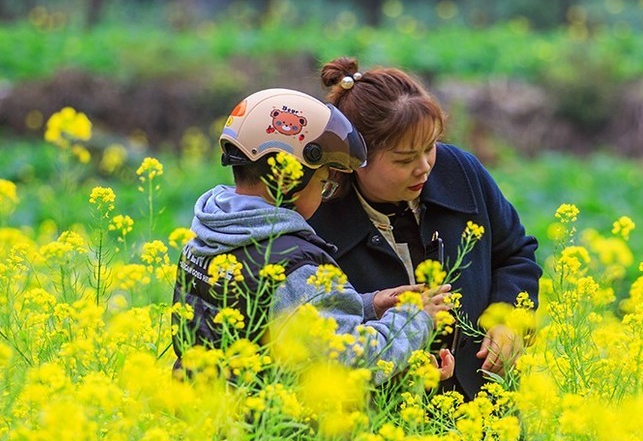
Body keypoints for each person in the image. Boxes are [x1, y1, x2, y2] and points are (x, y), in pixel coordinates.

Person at [172, 86, 454, 385]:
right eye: (322, 181)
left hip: (206, 415)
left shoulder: (212, 230)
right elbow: (354, 363)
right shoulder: (291, 264)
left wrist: (369, 305)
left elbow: (281, 311)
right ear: (289, 179)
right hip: (266, 427)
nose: (324, 193)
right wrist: (416, 318)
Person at [309, 57, 541, 399]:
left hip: (485, 407)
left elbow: (515, 253)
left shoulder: (461, 172)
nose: (424, 168)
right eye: (404, 159)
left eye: (430, 147)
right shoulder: (319, 217)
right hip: (382, 422)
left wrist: (508, 320)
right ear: (357, 158)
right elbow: (320, 328)